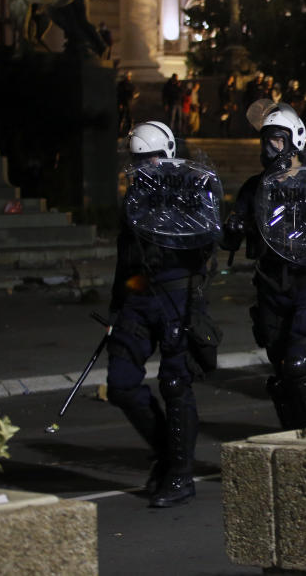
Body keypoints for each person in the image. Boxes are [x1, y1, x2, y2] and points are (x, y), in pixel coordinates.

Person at [106, 121, 218, 507]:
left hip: (177, 295)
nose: (145, 165)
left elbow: (209, 237)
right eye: (139, 160)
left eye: (151, 157)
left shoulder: (192, 188)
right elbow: (126, 255)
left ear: (168, 152)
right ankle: (167, 454)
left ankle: (181, 476)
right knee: (120, 382)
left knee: (175, 384)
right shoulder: (134, 196)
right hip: (139, 297)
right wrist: (115, 307)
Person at [220, 104, 306, 431]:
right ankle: (294, 436)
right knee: (280, 372)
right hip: (270, 286)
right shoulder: (254, 187)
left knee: (302, 364)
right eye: (266, 141)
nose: (270, 147)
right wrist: (230, 230)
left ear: (295, 139)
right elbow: (230, 239)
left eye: (276, 140)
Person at [116, 70, 138, 135]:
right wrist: (120, 103)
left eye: (129, 76)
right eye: (128, 76)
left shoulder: (131, 84)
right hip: (123, 103)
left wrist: (134, 95)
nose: (129, 77)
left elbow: (135, 92)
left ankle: (130, 131)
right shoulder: (121, 85)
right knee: (121, 117)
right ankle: (118, 131)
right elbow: (119, 94)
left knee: (130, 118)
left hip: (129, 103)